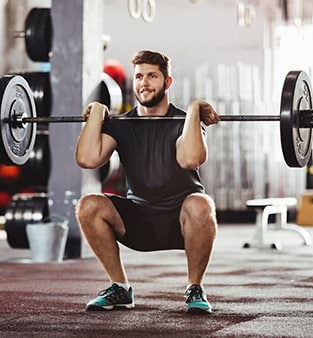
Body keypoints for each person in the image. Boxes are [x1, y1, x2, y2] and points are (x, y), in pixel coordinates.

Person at [75, 50, 220, 314]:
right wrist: (97, 112)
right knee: (88, 206)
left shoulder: (183, 122)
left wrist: (195, 108)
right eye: (139, 76)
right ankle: (119, 288)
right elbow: (87, 159)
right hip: (139, 220)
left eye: (152, 76)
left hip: (182, 222)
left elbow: (191, 159)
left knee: (202, 204)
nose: (144, 82)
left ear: (167, 82)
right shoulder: (122, 125)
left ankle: (195, 288)